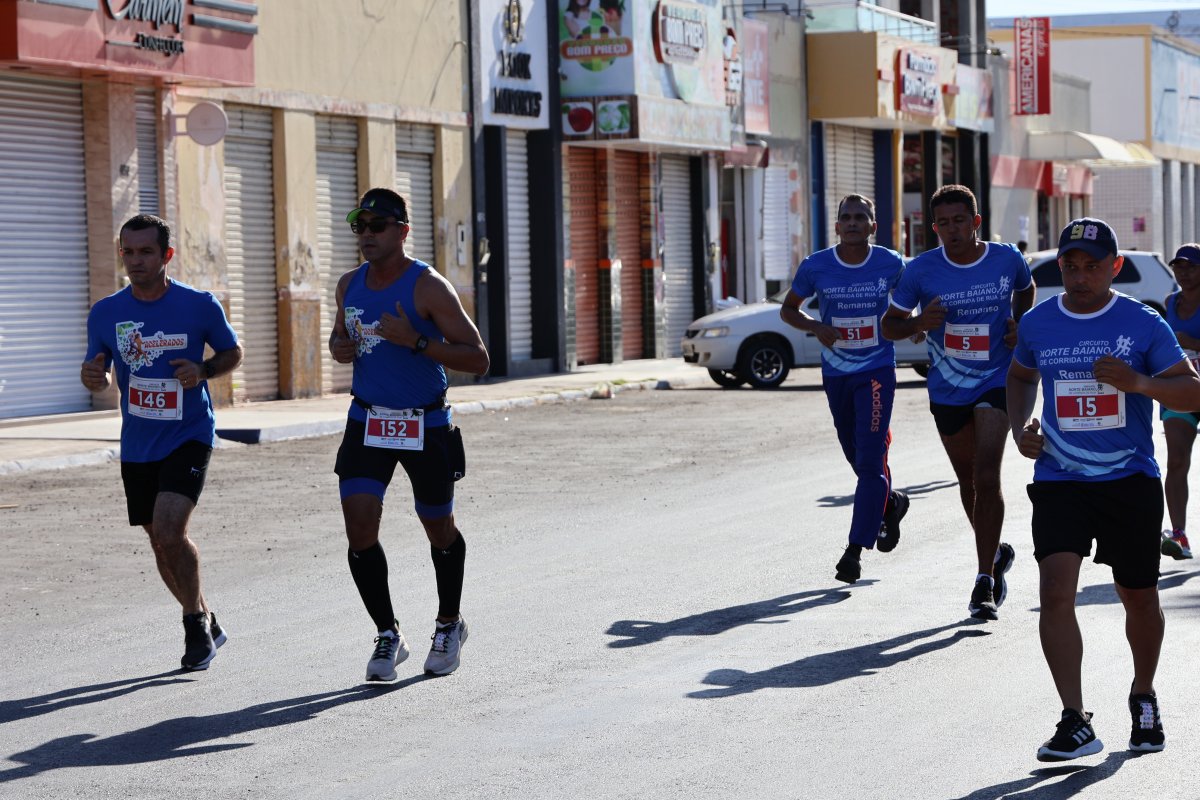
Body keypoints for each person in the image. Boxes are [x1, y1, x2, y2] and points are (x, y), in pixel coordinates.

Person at [1007, 217, 1200, 761]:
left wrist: (1139, 382)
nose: (1080, 276)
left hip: (1129, 480)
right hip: (1060, 479)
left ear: (1115, 267)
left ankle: (1144, 693)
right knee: (1054, 592)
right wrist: (1021, 428)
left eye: (1092, 266)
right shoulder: (1040, 322)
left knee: (1138, 596)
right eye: (1070, 265)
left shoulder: (1142, 322)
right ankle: (1074, 719)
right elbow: (1020, 376)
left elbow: (1191, 392)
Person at [330, 188, 489, 682]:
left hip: (425, 423)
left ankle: (449, 624)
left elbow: (478, 358)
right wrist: (338, 345)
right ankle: (387, 633)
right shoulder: (348, 284)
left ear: (402, 231)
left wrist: (417, 340)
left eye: (377, 225)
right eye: (359, 225)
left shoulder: (428, 287)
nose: (366, 234)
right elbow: (341, 337)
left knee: (438, 527)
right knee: (359, 529)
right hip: (368, 421)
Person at [81, 214, 243, 671]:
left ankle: (194, 626)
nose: (136, 261)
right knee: (159, 543)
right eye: (128, 252)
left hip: (188, 433)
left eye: (146, 252)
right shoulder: (106, 312)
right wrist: (93, 378)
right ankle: (207, 618)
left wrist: (204, 371)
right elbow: (98, 371)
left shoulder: (199, 305)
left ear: (166, 255)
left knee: (172, 532)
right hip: (138, 442)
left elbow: (232, 352)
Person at [881, 184, 1035, 620]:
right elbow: (890, 325)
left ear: (976, 222)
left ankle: (983, 580)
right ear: (935, 228)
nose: (952, 230)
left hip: (996, 378)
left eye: (960, 221)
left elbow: (1026, 289)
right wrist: (919, 322)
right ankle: (996, 554)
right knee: (967, 482)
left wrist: (1019, 323)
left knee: (987, 476)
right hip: (947, 385)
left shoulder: (1006, 258)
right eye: (943, 223)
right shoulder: (920, 271)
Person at [781, 195, 913, 584]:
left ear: (874, 226)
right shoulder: (816, 265)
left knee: (870, 461)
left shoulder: (891, 263)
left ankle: (854, 551)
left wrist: (915, 323)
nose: (853, 223)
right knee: (855, 454)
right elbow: (788, 309)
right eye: (846, 218)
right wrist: (814, 326)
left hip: (876, 371)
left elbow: (914, 295)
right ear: (836, 226)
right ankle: (890, 503)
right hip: (836, 374)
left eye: (860, 217)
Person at [1159, 243, 1200, 560]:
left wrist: (1193, 343)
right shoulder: (1170, 302)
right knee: (1176, 461)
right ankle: (1179, 534)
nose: (1183, 272)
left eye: (1191, 267)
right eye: (1178, 266)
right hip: (1180, 391)